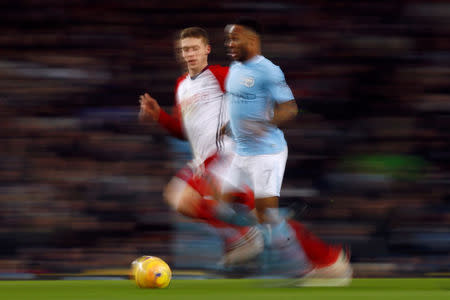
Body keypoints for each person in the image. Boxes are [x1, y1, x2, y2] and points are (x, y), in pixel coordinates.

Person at [221, 18, 352, 283]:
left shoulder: (269, 70)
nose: (230, 44)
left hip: (266, 152)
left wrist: (263, 124)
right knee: (220, 204)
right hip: (242, 152)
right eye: (228, 39)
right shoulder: (235, 68)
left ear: (253, 41)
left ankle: (311, 269)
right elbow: (238, 105)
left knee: (266, 217)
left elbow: (289, 108)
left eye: (236, 38)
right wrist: (229, 126)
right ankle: (276, 220)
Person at [139, 27, 263, 265]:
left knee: (182, 197)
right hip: (203, 160)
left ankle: (244, 237)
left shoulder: (219, 75)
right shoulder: (181, 86)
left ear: (206, 50)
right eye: (185, 50)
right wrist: (159, 116)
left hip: (224, 154)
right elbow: (185, 133)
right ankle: (248, 235)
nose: (190, 54)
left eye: (194, 48)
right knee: (186, 202)